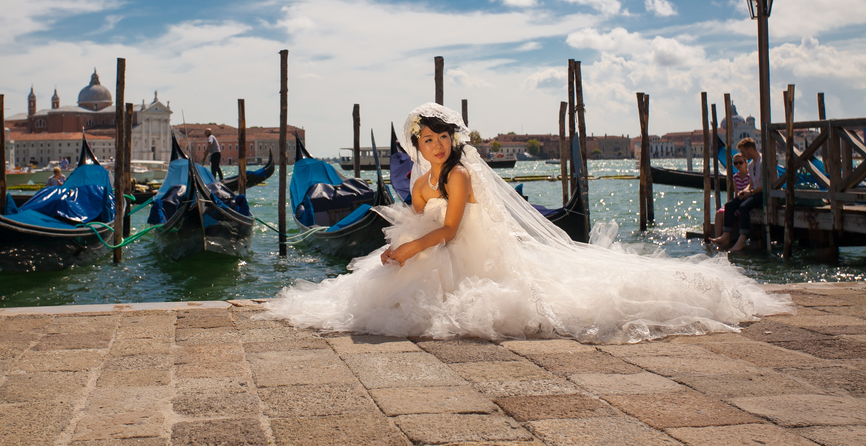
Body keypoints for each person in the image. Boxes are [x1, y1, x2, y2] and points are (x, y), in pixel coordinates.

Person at [263, 103, 792, 343]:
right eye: (427, 140)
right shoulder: (424, 176)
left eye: (442, 138)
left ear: (455, 140)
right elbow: (420, 212)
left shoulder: (460, 178)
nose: (436, 145)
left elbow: (446, 231)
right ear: (417, 144)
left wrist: (406, 250)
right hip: (425, 245)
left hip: (456, 247)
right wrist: (401, 242)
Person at [721, 138, 763, 253]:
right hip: (753, 191)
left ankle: (742, 240)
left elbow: (768, 185)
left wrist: (751, 192)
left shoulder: (763, 161)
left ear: (750, 149)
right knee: (729, 205)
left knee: (744, 207)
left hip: (763, 193)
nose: (742, 154)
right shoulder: (750, 165)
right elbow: (751, 184)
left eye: (743, 152)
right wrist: (744, 191)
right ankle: (726, 236)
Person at [711, 153, 751, 248]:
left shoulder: (750, 177)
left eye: (740, 162)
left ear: (746, 163)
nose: (738, 165)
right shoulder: (735, 177)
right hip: (738, 200)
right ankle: (719, 238)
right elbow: (736, 192)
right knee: (719, 213)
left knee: (732, 210)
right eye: (735, 163)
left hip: (746, 200)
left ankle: (726, 238)